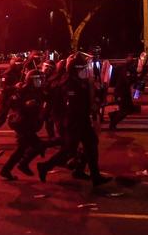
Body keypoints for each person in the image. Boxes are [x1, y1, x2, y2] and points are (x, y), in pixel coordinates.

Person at [37, 53, 111, 187]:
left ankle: (94, 176)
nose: (84, 71)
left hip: (82, 120)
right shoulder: (69, 83)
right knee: (69, 149)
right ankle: (45, 167)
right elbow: (71, 107)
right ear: (75, 69)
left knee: (91, 145)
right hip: (74, 122)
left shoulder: (79, 81)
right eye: (82, 69)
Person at [0, 70, 46, 181]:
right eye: (37, 79)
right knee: (37, 146)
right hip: (23, 123)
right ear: (31, 80)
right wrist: (25, 104)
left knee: (22, 149)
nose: (39, 81)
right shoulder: (23, 90)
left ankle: (7, 169)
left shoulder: (38, 90)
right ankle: (21, 165)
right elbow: (12, 103)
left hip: (30, 123)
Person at [109, 54, 138, 130]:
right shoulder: (126, 68)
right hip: (121, 93)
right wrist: (135, 77)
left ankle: (113, 115)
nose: (131, 59)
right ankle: (113, 123)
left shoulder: (127, 67)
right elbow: (128, 80)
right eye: (130, 57)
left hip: (124, 92)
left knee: (130, 109)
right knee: (124, 110)